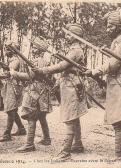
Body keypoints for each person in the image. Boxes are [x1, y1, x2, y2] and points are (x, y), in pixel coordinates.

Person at [86, 8, 121, 163]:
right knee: (117, 122)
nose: (107, 29)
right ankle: (120, 156)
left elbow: (114, 63)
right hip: (117, 82)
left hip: (120, 82)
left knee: (118, 122)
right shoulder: (120, 40)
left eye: (110, 26)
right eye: (107, 26)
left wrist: (96, 70)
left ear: (119, 26)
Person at [32, 24, 88, 161]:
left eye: (69, 34)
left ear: (75, 36)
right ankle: (78, 144)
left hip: (72, 86)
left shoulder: (75, 50)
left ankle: (65, 153)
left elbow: (62, 66)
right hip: (71, 84)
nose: (66, 36)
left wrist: (43, 70)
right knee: (74, 116)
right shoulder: (74, 50)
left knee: (70, 117)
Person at [6, 37, 53, 152]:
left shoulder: (36, 62)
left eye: (35, 48)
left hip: (35, 90)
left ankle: (29, 144)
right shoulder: (46, 62)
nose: (32, 50)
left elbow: (29, 76)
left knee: (31, 116)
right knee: (42, 116)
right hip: (42, 90)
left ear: (41, 51)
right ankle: (46, 138)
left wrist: (14, 73)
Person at [0, 43, 26, 142]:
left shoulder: (16, 60)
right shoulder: (12, 60)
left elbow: (9, 73)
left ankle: (7, 134)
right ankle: (21, 129)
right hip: (11, 86)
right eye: (5, 49)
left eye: (8, 49)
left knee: (11, 110)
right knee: (12, 109)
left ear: (13, 50)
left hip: (14, 87)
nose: (6, 52)